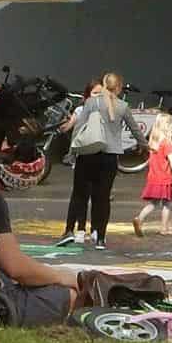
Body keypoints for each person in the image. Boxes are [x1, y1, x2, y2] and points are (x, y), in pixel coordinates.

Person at [56, 73, 136, 250]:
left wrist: (71, 153)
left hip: (87, 155)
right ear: (119, 88)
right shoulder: (123, 106)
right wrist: (146, 146)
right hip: (109, 157)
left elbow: (78, 128)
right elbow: (135, 129)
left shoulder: (91, 103)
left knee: (79, 193)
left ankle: (71, 230)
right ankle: (100, 237)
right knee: (103, 198)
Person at [132, 113, 172, 237]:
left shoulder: (154, 140)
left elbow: (161, 153)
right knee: (166, 204)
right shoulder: (167, 143)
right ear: (166, 126)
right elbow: (171, 159)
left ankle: (139, 218)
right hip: (165, 177)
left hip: (154, 177)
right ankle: (164, 228)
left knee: (153, 203)